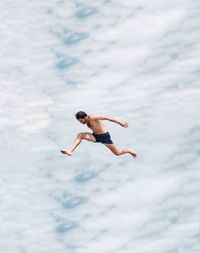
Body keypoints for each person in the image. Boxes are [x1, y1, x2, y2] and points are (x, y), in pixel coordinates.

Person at [60, 111, 137, 158]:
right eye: (79, 121)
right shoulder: (87, 121)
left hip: (104, 137)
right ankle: (70, 151)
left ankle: (129, 150)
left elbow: (107, 117)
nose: (80, 122)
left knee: (117, 153)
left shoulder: (93, 117)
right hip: (95, 136)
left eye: (81, 120)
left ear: (85, 117)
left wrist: (121, 122)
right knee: (80, 135)